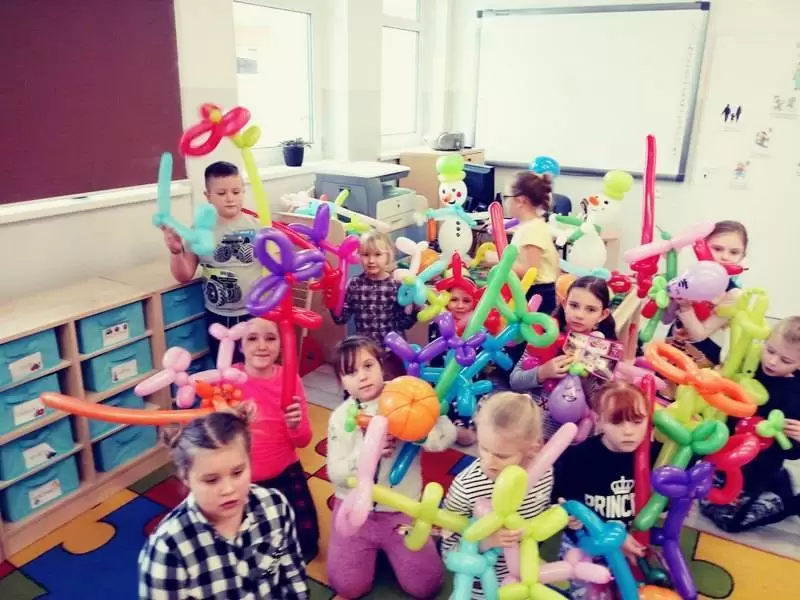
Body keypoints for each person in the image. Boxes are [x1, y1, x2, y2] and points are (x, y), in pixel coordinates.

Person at [326, 336, 457, 599]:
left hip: (401, 511)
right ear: (341, 381)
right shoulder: (341, 416)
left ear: (380, 365)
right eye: (350, 372)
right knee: (348, 587)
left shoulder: (405, 396)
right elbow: (336, 474)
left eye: (368, 365)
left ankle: (395, 550)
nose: (362, 376)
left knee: (426, 586)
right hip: (355, 511)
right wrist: (366, 453)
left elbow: (445, 437)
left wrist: (417, 430)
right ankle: (374, 552)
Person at [138, 408, 309, 600]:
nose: (228, 489)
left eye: (237, 472)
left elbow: (293, 575)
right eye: (211, 480)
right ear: (185, 477)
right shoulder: (168, 550)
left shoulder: (275, 505)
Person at [441, 391, 554, 598]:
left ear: (534, 447)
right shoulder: (466, 487)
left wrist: (560, 515)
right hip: (483, 586)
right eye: (483, 448)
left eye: (502, 455)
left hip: (526, 580)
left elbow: (540, 514)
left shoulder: (544, 472)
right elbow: (449, 552)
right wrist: (487, 541)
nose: (489, 462)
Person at [551, 381, 650, 598]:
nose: (628, 432)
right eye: (616, 421)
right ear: (599, 420)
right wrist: (569, 516)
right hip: (587, 541)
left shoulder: (654, 456)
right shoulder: (577, 458)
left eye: (637, 421)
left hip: (634, 541)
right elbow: (561, 502)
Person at [700, 317, 800, 532]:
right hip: (722, 458)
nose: (772, 361)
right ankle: (776, 482)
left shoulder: (796, 395)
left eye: (785, 360)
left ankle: (790, 502)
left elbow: (791, 452)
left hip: (758, 470)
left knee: (729, 522)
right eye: (770, 350)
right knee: (703, 499)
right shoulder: (748, 363)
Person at [236, 318, 319, 561]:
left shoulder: (290, 380)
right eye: (252, 338)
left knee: (307, 545)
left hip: (285, 471)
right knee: (245, 549)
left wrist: (294, 425)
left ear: (282, 345)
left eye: (270, 338)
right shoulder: (229, 379)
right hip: (241, 477)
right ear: (240, 345)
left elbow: (303, 440)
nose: (262, 345)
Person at [163, 161, 259, 363]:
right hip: (218, 316)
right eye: (221, 193)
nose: (230, 198)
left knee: (254, 367)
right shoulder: (200, 230)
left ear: (243, 191)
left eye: (236, 191)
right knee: (224, 368)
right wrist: (176, 252)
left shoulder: (257, 226)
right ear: (208, 196)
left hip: (254, 313)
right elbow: (184, 275)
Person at [510, 276, 618, 439]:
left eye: (590, 309)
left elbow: (599, 405)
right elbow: (515, 381)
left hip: (569, 436)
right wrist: (542, 372)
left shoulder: (603, 351)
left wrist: (586, 377)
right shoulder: (544, 336)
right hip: (528, 429)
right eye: (574, 305)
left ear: (603, 315)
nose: (579, 315)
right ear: (564, 303)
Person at [331, 231, 418, 373]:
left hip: (392, 352)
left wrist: (414, 310)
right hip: (364, 353)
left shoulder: (396, 285)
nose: (371, 260)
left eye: (377, 254)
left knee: (393, 384)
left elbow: (404, 324)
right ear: (359, 256)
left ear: (388, 256)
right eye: (365, 255)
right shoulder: (354, 284)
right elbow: (341, 319)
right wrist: (332, 303)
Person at [669, 220, 749, 366]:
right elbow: (666, 318)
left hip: (702, 356)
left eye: (734, 252)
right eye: (717, 249)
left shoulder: (733, 295)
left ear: (742, 257)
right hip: (673, 342)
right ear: (702, 247)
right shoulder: (689, 275)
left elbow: (700, 335)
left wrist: (686, 308)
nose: (725, 257)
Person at [483, 172, 559, 315]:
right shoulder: (528, 226)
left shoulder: (532, 230)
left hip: (537, 294)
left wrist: (497, 258)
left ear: (520, 201)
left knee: (530, 329)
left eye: (506, 197)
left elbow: (530, 271)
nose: (505, 203)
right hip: (532, 291)